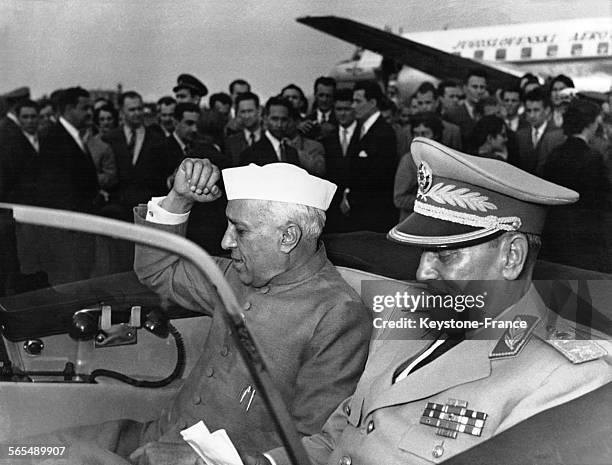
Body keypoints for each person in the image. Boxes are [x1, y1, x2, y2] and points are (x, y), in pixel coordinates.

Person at [253, 137, 611, 465]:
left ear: (512, 256)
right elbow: (337, 441)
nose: (423, 272)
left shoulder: (569, 379)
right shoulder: (407, 322)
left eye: (446, 255)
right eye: (424, 252)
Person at [22, 161, 372, 465]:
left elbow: (315, 444)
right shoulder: (237, 273)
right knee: (24, 452)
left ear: (288, 237)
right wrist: (179, 198)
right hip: (153, 437)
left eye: (241, 230)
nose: (226, 242)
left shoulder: (337, 314)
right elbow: (159, 269)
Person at [541, 99, 611, 273]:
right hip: (585, 238)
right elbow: (600, 203)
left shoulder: (555, 154)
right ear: (590, 124)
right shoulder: (593, 158)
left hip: (555, 236)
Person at [103, 91, 168, 220]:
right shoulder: (109, 138)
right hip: (117, 210)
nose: (137, 113)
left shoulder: (157, 140)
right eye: (132, 110)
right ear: (122, 112)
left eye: (139, 109)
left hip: (147, 210)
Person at [347, 81, 398, 232]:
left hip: (375, 214)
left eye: (358, 101)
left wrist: (351, 199)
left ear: (372, 102)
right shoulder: (361, 129)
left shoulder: (384, 133)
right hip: (361, 212)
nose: (353, 106)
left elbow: (379, 177)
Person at [321, 88, 360, 232]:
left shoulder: (364, 135)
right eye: (338, 109)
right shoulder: (327, 138)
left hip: (358, 203)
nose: (342, 113)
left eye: (347, 109)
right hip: (333, 205)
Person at [393, 113, 443, 220]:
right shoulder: (408, 161)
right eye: (416, 134)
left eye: (425, 134)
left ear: (436, 135)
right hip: (412, 222)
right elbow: (399, 199)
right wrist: (432, 201)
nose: (420, 138)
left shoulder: (445, 157)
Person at [515, 88, 565, 175]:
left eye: (536, 110)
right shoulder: (520, 135)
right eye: (528, 110)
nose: (532, 115)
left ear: (547, 110)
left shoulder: (558, 135)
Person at [240, 96, 300, 167]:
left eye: (284, 119)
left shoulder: (292, 152)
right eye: (274, 119)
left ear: (289, 121)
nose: (279, 124)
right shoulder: (251, 153)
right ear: (265, 119)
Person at [446, 69, 488, 146]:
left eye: (482, 87)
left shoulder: (487, 113)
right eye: (475, 87)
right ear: (465, 88)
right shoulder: (452, 114)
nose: (479, 91)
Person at [224, 92, 263, 166]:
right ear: (238, 113)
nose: (247, 116)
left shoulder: (270, 137)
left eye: (250, 111)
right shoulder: (231, 142)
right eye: (243, 112)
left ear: (259, 110)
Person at [299, 76, 337, 140]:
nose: (324, 100)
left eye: (328, 96)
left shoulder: (339, 120)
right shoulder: (306, 121)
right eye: (321, 95)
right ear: (315, 95)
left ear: (334, 97)